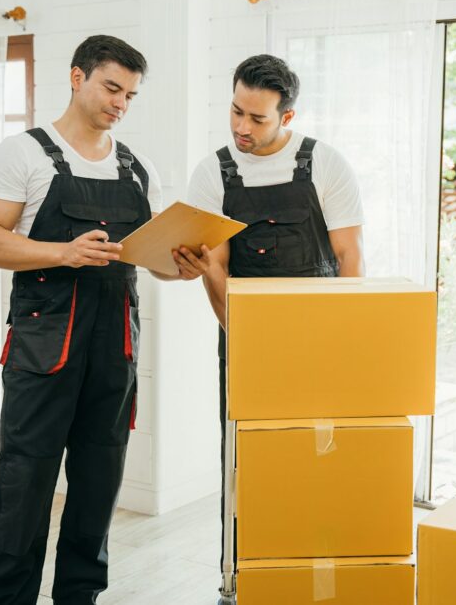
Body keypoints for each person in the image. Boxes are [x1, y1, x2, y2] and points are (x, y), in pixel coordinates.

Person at [0, 35, 208, 604]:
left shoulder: (136, 167)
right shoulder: (22, 154)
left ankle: (79, 597)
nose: (120, 103)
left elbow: (148, 259)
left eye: (130, 94)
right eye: (111, 87)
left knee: (99, 486)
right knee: (25, 484)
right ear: (77, 77)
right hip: (43, 344)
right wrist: (63, 251)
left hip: (115, 349)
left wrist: (184, 268)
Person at [184, 54, 365, 603]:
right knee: (243, 465)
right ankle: (237, 583)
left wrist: (346, 344)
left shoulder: (325, 164)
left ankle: (314, 580)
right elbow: (213, 266)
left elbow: (349, 256)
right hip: (245, 342)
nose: (241, 127)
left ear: (287, 117)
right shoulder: (212, 172)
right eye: (236, 111)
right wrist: (241, 337)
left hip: (319, 343)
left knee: (318, 462)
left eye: (257, 119)